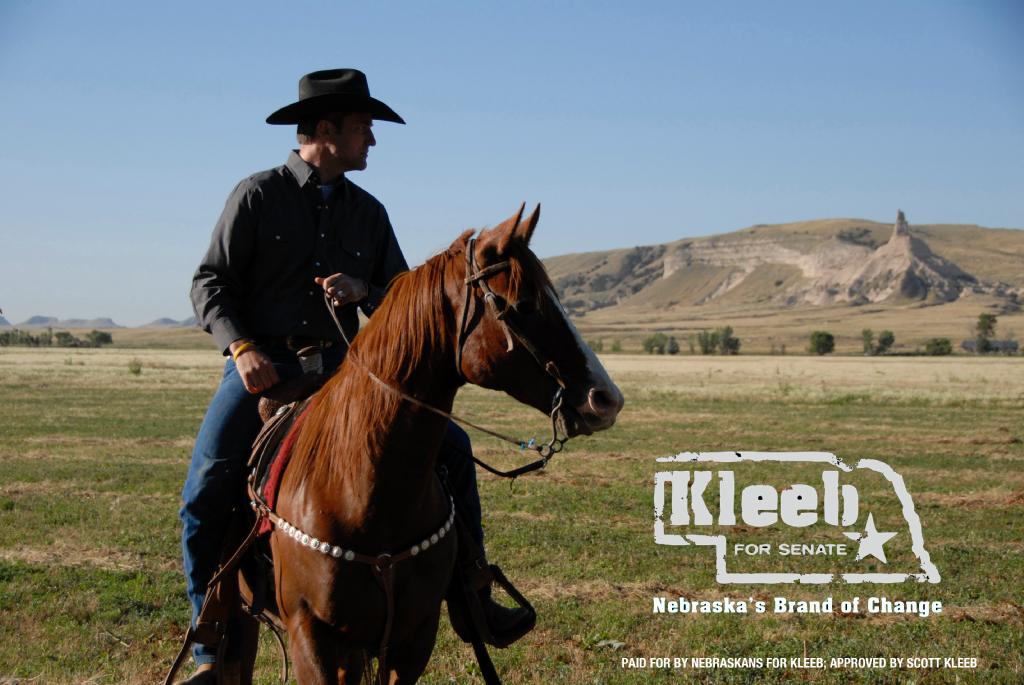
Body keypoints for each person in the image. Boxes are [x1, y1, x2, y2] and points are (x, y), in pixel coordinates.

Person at [178, 69, 531, 684]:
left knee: (452, 448)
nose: (372, 139)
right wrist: (240, 347)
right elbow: (209, 282)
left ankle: (473, 593)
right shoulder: (256, 195)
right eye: (364, 127)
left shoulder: (368, 212)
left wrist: (365, 289)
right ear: (325, 129)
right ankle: (211, 642)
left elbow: (404, 303)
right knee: (205, 489)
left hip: (345, 374)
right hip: (263, 369)